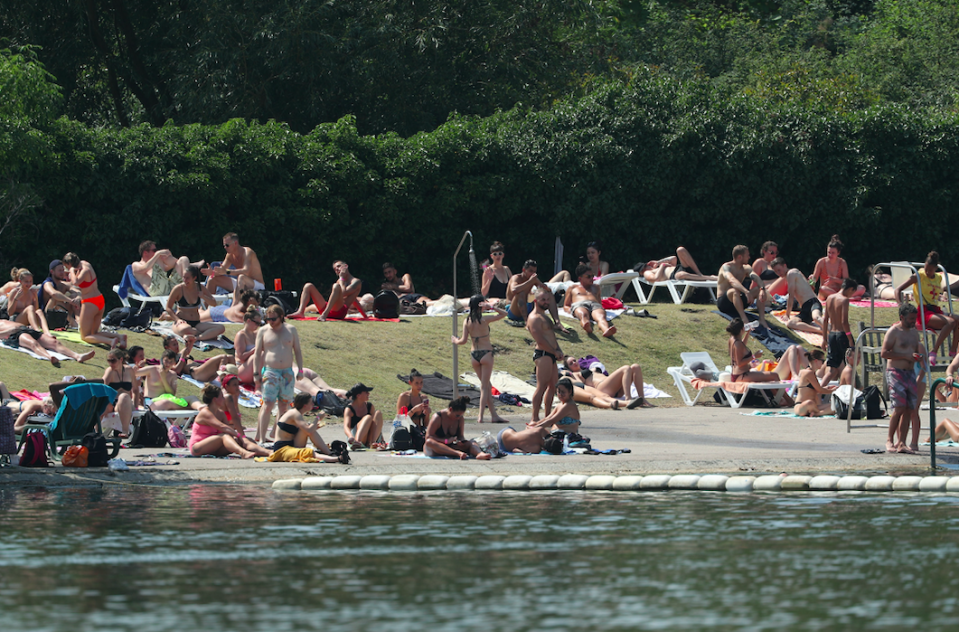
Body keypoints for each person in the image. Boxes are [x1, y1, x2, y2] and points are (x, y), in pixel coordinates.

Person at [894, 251, 958, 365]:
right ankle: (934, 351)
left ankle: (953, 351)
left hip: (935, 310)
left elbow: (935, 293)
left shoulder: (938, 277)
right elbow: (897, 289)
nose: (928, 272)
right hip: (923, 312)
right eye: (926, 269)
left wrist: (940, 296)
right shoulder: (919, 276)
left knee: (957, 319)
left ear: (935, 269)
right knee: (950, 322)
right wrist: (900, 305)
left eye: (930, 270)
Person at [451, 295, 508, 423]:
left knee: (487, 385)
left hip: (474, 355)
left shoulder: (467, 321)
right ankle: (481, 416)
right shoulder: (484, 319)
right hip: (486, 353)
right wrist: (491, 307)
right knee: (484, 386)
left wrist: (455, 340)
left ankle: (494, 415)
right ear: (480, 305)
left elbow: (463, 340)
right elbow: (505, 313)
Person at [253, 304, 304, 443]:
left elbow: (297, 351)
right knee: (268, 403)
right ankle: (261, 438)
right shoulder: (263, 331)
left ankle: (277, 436)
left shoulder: (291, 329)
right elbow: (257, 354)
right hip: (271, 371)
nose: (270, 322)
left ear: (281, 317)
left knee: (284, 405)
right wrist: (255, 373)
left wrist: (300, 370)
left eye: (273, 319)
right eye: (268, 319)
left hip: (287, 372)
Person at [881, 303, 923, 454]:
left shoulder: (914, 332)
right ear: (901, 317)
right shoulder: (893, 332)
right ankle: (889, 439)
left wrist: (918, 357)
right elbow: (884, 353)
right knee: (898, 408)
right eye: (911, 319)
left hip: (910, 372)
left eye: (914, 318)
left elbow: (914, 350)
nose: (913, 321)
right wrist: (905, 356)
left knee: (909, 409)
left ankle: (902, 443)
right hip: (895, 372)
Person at [62, 252, 125, 348]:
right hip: (99, 299)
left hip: (90, 302)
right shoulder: (85, 263)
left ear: (70, 264)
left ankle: (111, 341)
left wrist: (71, 270)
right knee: (94, 332)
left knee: (85, 336)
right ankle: (120, 337)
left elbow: (75, 282)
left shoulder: (84, 270)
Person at [189, 384, 270, 458]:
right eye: (222, 397)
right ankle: (243, 453)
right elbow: (222, 427)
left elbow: (228, 430)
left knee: (241, 440)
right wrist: (239, 435)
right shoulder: (205, 412)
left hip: (214, 447)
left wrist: (242, 439)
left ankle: (268, 452)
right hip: (198, 448)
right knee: (225, 436)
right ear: (215, 399)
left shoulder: (220, 413)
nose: (224, 399)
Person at [272, 393, 349, 463]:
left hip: (292, 444)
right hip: (282, 449)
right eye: (311, 402)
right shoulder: (294, 413)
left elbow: (308, 430)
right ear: (305, 405)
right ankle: (337, 458)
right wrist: (317, 418)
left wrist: (314, 426)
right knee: (308, 452)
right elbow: (308, 431)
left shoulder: (298, 414)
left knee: (311, 431)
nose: (313, 404)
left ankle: (330, 453)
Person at [527, 285, 564, 421]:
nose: (546, 302)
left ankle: (547, 416)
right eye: (543, 300)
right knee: (541, 387)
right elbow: (540, 340)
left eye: (548, 299)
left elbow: (551, 337)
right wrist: (554, 351)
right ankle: (534, 417)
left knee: (552, 386)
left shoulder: (545, 317)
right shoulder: (534, 318)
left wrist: (558, 350)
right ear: (536, 301)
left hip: (551, 354)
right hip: (543, 354)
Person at [165, 265, 225, 341]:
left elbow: (214, 303)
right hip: (182, 322)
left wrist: (203, 296)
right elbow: (168, 307)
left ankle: (197, 337)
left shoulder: (200, 287)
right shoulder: (178, 288)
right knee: (186, 329)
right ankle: (206, 335)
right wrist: (177, 320)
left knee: (221, 328)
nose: (185, 280)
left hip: (196, 323)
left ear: (194, 278)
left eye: (187, 278)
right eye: (184, 277)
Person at [507, 259, 570, 332]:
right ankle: (527, 322)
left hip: (526, 306)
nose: (533, 274)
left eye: (534, 272)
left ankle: (557, 322)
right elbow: (514, 290)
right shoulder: (516, 277)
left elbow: (546, 289)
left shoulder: (533, 278)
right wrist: (530, 281)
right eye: (530, 271)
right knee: (521, 293)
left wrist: (543, 287)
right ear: (524, 270)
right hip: (513, 309)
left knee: (548, 294)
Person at [202, 232, 265, 303]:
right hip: (241, 284)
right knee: (212, 279)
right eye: (224, 245)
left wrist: (226, 272)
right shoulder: (229, 255)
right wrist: (212, 273)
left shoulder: (248, 252)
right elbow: (222, 270)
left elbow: (245, 271)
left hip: (256, 285)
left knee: (241, 277)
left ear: (235, 243)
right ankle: (205, 308)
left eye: (227, 245)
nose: (225, 247)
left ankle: (234, 307)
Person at [0, 319, 95, 365]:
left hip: (25, 329)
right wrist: (11, 331)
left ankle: (77, 356)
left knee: (55, 342)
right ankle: (49, 357)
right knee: (33, 344)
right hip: (14, 334)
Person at [424, 396, 491, 460]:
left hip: (451, 446)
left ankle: (479, 453)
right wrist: (446, 441)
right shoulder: (438, 417)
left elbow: (461, 436)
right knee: (429, 442)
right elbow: (428, 437)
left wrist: (461, 441)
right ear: (450, 409)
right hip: (437, 447)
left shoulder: (460, 419)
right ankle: (457, 453)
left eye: (461, 416)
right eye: (457, 415)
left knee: (472, 442)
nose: (458, 418)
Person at [770, 257, 824, 335]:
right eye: (776, 272)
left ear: (784, 266)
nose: (778, 273)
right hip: (805, 308)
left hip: (813, 302)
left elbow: (791, 295)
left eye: (779, 270)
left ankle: (833, 330)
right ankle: (820, 330)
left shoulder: (791, 273)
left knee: (816, 318)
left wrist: (787, 314)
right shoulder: (788, 277)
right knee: (790, 324)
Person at [717, 245, 767, 328]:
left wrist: (762, 288)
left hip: (738, 299)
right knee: (734, 290)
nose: (749, 257)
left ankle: (762, 319)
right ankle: (745, 320)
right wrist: (746, 291)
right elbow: (731, 280)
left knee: (759, 290)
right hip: (724, 303)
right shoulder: (726, 267)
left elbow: (756, 277)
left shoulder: (746, 268)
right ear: (740, 257)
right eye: (747, 255)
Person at [132, 240, 204, 297]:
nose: (156, 252)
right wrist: (158, 254)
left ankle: (188, 285)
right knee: (158, 257)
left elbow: (175, 264)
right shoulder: (136, 264)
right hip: (155, 290)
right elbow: (145, 268)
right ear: (145, 253)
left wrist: (168, 255)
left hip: (167, 287)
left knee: (183, 259)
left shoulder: (156, 265)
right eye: (154, 250)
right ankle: (190, 265)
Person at [571, 360, 653, 408]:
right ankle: (628, 399)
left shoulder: (590, 368)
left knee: (636, 367)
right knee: (626, 368)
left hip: (615, 388)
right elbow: (580, 385)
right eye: (571, 363)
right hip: (602, 388)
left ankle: (642, 399)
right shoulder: (575, 374)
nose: (574, 362)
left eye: (574, 360)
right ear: (568, 367)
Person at [137, 350, 202, 411]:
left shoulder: (173, 375)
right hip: (151, 402)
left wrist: (163, 378)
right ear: (162, 360)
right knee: (166, 402)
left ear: (174, 363)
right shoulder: (152, 369)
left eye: (171, 362)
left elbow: (172, 394)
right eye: (166, 361)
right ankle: (190, 409)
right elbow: (135, 373)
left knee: (192, 398)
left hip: (168, 400)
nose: (168, 364)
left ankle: (201, 408)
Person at [822, 278, 858, 384]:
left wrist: (824, 338)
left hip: (832, 335)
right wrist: (850, 338)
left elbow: (825, 320)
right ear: (850, 289)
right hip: (842, 335)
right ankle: (852, 391)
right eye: (852, 293)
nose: (851, 295)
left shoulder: (829, 298)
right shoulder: (844, 300)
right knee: (850, 365)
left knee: (832, 369)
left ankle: (818, 390)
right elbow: (844, 322)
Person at [565, 263, 617, 338]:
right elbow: (566, 305)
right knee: (583, 314)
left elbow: (599, 302)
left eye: (592, 276)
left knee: (601, 317)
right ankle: (587, 327)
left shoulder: (596, 287)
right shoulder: (573, 287)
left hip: (595, 305)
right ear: (580, 278)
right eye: (588, 276)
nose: (592, 278)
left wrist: (600, 308)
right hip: (579, 304)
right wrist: (572, 311)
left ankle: (606, 330)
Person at [810, 235, 865, 301]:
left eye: (833, 253)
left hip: (840, 291)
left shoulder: (842, 263)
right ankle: (846, 298)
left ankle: (842, 297)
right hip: (826, 292)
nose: (830, 255)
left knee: (862, 288)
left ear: (838, 253)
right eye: (829, 252)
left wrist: (834, 280)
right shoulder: (821, 262)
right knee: (822, 289)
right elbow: (814, 279)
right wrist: (810, 281)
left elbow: (847, 282)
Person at [727, 318, 779, 383]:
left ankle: (776, 393)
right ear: (742, 329)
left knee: (768, 379)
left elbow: (742, 347)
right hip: (741, 375)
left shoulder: (733, 339)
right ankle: (781, 393)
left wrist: (748, 333)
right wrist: (754, 356)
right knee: (775, 375)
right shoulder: (737, 343)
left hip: (738, 374)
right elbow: (739, 363)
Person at [162, 334, 230, 383]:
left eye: (177, 344)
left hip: (202, 369)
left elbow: (193, 339)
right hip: (197, 372)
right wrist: (183, 357)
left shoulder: (180, 353)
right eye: (174, 345)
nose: (177, 346)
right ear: (166, 347)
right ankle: (222, 381)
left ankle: (231, 381)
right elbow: (176, 370)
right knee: (223, 357)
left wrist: (187, 337)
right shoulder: (170, 358)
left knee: (230, 358)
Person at [102, 348, 138, 438]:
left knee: (124, 396)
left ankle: (125, 431)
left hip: (125, 403)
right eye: (108, 361)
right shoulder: (109, 371)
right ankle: (96, 432)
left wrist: (136, 405)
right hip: (112, 402)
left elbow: (136, 390)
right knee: (103, 407)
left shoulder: (129, 370)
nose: (111, 364)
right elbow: (103, 389)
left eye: (113, 361)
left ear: (121, 359)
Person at [7, 268, 51, 337]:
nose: (29, 284)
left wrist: (35, 298)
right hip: (15, 320)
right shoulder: (15, 292)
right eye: (26, 282)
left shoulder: (31, 292)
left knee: (39, 311)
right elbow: (10, 313)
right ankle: (37, 331)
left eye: (30, 281)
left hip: (28, 321)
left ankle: (47, 333)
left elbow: (36, 310)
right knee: (30, 308)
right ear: (20, 281)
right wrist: (16, 298)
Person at [637, 247, 718, 284]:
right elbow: (655, 278)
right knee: (680, 275)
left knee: (680, 250)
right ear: (642, 271)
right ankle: (710, 278)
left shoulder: (658, 267)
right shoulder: (646, 273)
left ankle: (699, 274)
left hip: (679, 268)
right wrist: (662, 266)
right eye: (646, 266)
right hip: (674, 276)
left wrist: (658, 262)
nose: (648, 266)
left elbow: (674, 258)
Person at [793, 353, 837, 417]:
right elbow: (820, 390)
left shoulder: (810, 372)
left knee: (835, 405)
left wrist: (827, 387)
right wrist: (833, 391)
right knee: (809, 403)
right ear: (816, 360)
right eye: (822, 361)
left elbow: (812, 389)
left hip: (814, 406)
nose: (823, 363)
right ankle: (819, 413)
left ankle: (817, 414)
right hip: (802, 405)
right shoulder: (808, 373)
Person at [342, 383, 385, 449]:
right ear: (358, 395)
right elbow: (346, 426)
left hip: (369, 437)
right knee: (367, 417)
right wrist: (350, 437)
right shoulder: (349, 409)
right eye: (366, 392)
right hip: (355, 437)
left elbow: (376, 424)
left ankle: (372, 443)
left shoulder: (369, 406)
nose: (368, 394)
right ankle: (357, 442)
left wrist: (382, 440)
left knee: (378, 413)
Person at [39, 260, 80, 328]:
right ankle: (74, 323)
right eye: (59, 270)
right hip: (46, 316)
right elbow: (54, 294)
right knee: (55, 299)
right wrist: (70, 300)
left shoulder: (63, 284)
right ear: (52, 272)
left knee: (74, 296)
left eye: (63, 270)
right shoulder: (47, 283)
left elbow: (77, 291)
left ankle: (79, 321)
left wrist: (77, 298)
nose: (62, 272)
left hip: (60, 315)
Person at [233, 305, 261, 384]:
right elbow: (241, 357)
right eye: (256, 323)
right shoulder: (241, 335)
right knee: (256, 356)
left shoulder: (256, 334)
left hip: (253, 368)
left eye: (260, 323)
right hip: (241, 368)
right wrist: (254, 351)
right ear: (248, 321)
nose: (258, 326)